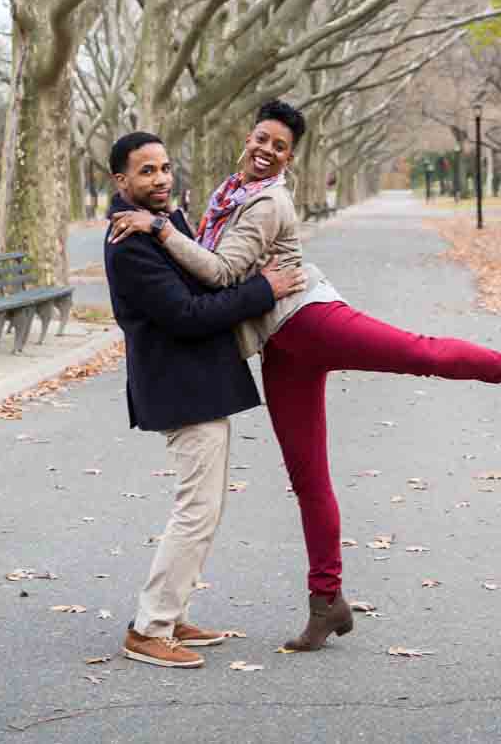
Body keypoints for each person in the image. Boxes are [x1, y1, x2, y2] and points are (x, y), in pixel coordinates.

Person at [109, 101, 501, 652]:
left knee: (420, 353)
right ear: (249, 136)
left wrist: (160, 229)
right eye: (262, 138)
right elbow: (203, 266)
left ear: (291, 158)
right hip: (278, 347)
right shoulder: (224, 195)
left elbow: (217, 272)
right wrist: (166, 228)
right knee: (308, 479)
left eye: (280, 147)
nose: (266, 150)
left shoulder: (267, 202)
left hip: (311, 320)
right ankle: (327, 602)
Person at [103, 130, 308, 669]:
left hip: (197, 384)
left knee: (205, 508)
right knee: (196, 510)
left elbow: (205, 285)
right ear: (120, 181)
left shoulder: (161, 226)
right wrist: (266, 289)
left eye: (165, 167)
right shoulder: (130, 242)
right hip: (179, 387)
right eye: (146, 171)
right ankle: (149, 628)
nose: (161, 178)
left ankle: (169, 615)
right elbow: (189, 314)